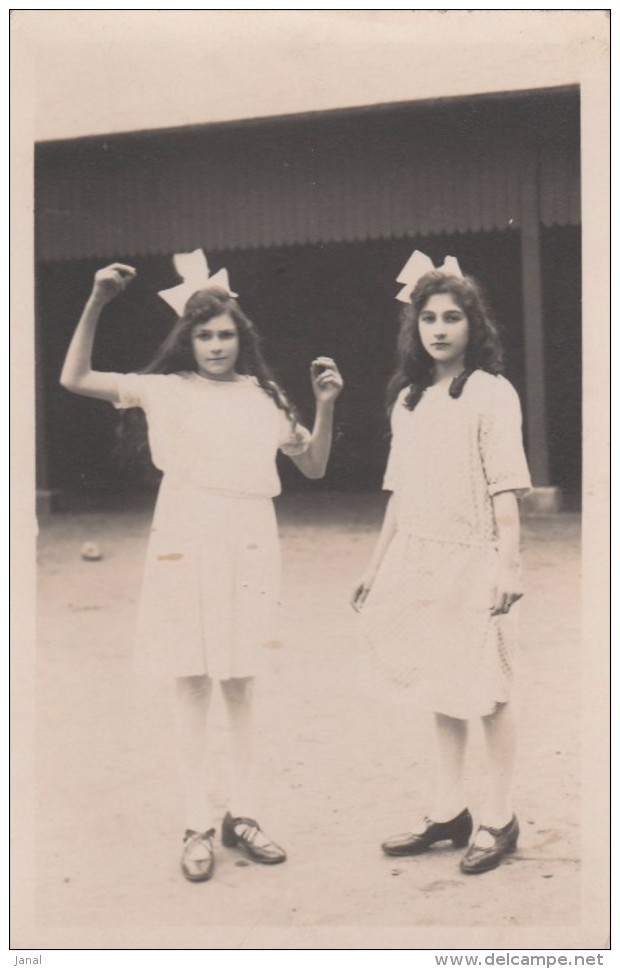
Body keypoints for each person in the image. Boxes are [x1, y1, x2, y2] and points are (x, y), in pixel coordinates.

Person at [60, 260, 343, 883]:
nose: (216, 346)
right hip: (185, 533)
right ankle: (196, 820)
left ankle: (242, 815)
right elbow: (74, 376)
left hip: (249, 539)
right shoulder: (165, 389)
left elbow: (315, 466)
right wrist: (97, 300)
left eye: (225, 335)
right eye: (204, 336)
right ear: (187, 341)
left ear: (243, 339)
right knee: (190, 677)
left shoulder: (263, 397)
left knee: (240, 679)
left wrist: (324, 406)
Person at [352, 261, 531, 875]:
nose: (439, 328)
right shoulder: (409, 398)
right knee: (441, 683)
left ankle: (500, 818)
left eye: (452, 317)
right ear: (414, 326)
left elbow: (505, 487)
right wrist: (377, 566)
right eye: (428, 318)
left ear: (472, 324)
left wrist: (508, 565)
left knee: (489, 691)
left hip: (476, 557)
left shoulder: (490, 392)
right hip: (420, 557)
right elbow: (400, 491)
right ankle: (449, 811)